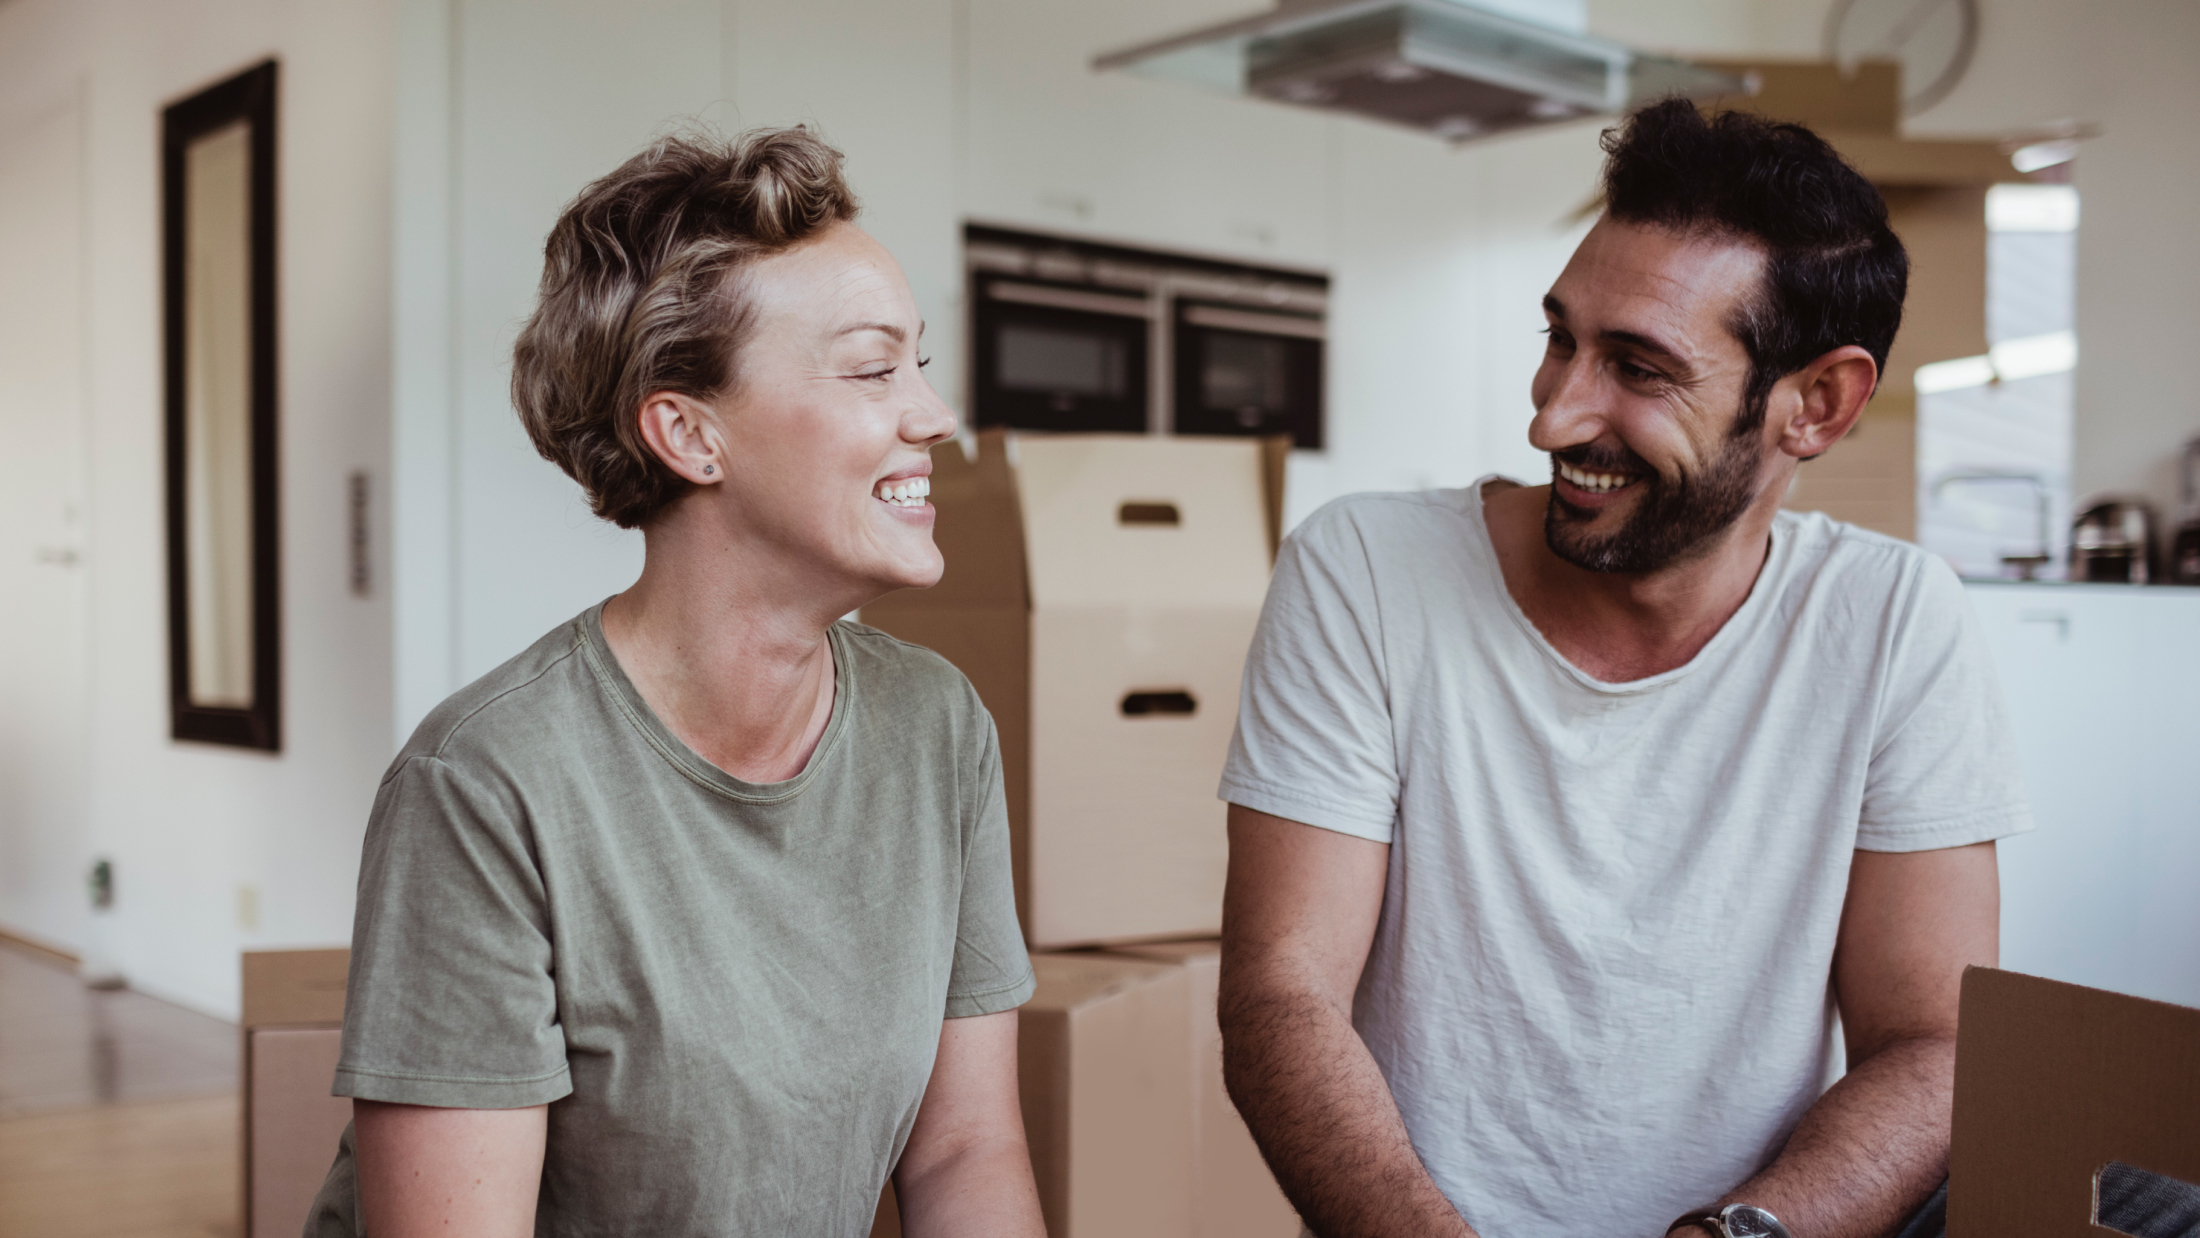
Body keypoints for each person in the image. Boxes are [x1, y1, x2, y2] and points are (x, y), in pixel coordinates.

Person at [1215, 99, 2029, 1238]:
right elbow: (1280, 996)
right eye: (1560, 340)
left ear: (1817, 405)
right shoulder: (1364, 568)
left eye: (1638, 369)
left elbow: (1933, 1042)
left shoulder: (1891, 619)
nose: (1552, 417)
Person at [305, 127, 1045, 1238]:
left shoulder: (938, 727)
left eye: (921, 363)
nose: (934, 414)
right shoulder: (485, 785)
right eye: (873, 367)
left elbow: (964, 1150)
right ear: (689, 433)